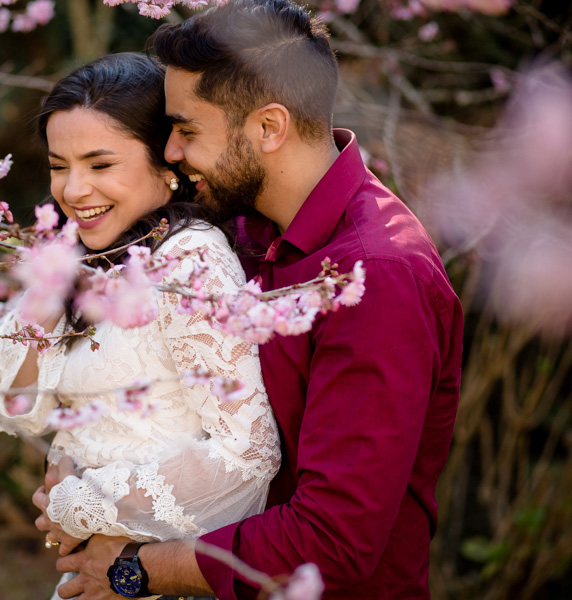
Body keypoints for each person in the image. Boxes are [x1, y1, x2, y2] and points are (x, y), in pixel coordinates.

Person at [45, 1, 463, 599]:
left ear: (268, 127)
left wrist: (135, 568)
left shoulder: (377, 279)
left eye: (187, 130)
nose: (171, 153)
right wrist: (78, 484)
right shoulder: (239, 234)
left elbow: (334, 538)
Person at [0, 52, 281, 600]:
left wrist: (79, 503)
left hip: (157, 572)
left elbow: (250, 452)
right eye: (58, 165)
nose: (72, 191)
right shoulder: (84, 257)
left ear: (167, 164)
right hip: (92, 571)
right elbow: (15, 408)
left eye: (100, 165)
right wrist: (48, 294)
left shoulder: (189, 264)